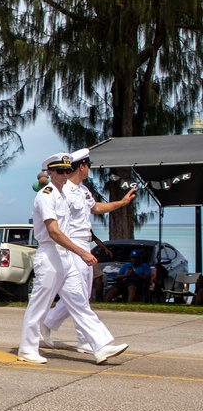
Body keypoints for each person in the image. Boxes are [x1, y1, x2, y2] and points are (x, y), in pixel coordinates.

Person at [18, 153, 128, 364]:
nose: (64, 174)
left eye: (67, 170)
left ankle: (101, 346)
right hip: (50, 254)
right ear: (50, 173)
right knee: (39, 304)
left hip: (65, 255)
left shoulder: (64, 195)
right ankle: (27, 348)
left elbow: (86, 213)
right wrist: (82, 252)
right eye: (60, 171)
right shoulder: (46, 195)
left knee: (79, 301)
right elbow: (54, 232)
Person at [42, 147, 136, 341]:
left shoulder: (83, 190)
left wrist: (121, 203)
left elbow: (95, 207)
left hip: (84, 244)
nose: (89, 169)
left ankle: (48, 323)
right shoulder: (63, 190)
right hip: (73, 246)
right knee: (80, 295)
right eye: (88, 165)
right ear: (82, 167)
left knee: (80, 295)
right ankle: (86, 339)